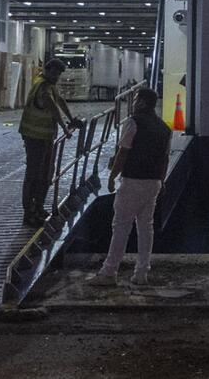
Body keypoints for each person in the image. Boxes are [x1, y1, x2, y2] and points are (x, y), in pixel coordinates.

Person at [90, 87, 171, 287]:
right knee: (146, 228)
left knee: (121, 227)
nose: (133, 103)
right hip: (153, 183)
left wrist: (112, 176)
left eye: (135, 100)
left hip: (133, 181)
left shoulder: (133, 123)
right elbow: (165, 159)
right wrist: (162, 181)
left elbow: (123, 153)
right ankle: (141, 273)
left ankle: (109, 272)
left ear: (143, 102)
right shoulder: (164, 128)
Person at [19, 58, 77, 227]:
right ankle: (29, 214)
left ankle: (38, 207)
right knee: (34, 175)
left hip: (44, 138)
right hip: (35, 138)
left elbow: (60, 101)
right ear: (47, 70)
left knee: (45, 174)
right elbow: (52, 106)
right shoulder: (43, 86)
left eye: (58, 74)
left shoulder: (47, 84)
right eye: (54, 72)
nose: (56, 76)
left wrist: (71, 119)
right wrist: (65, 128)